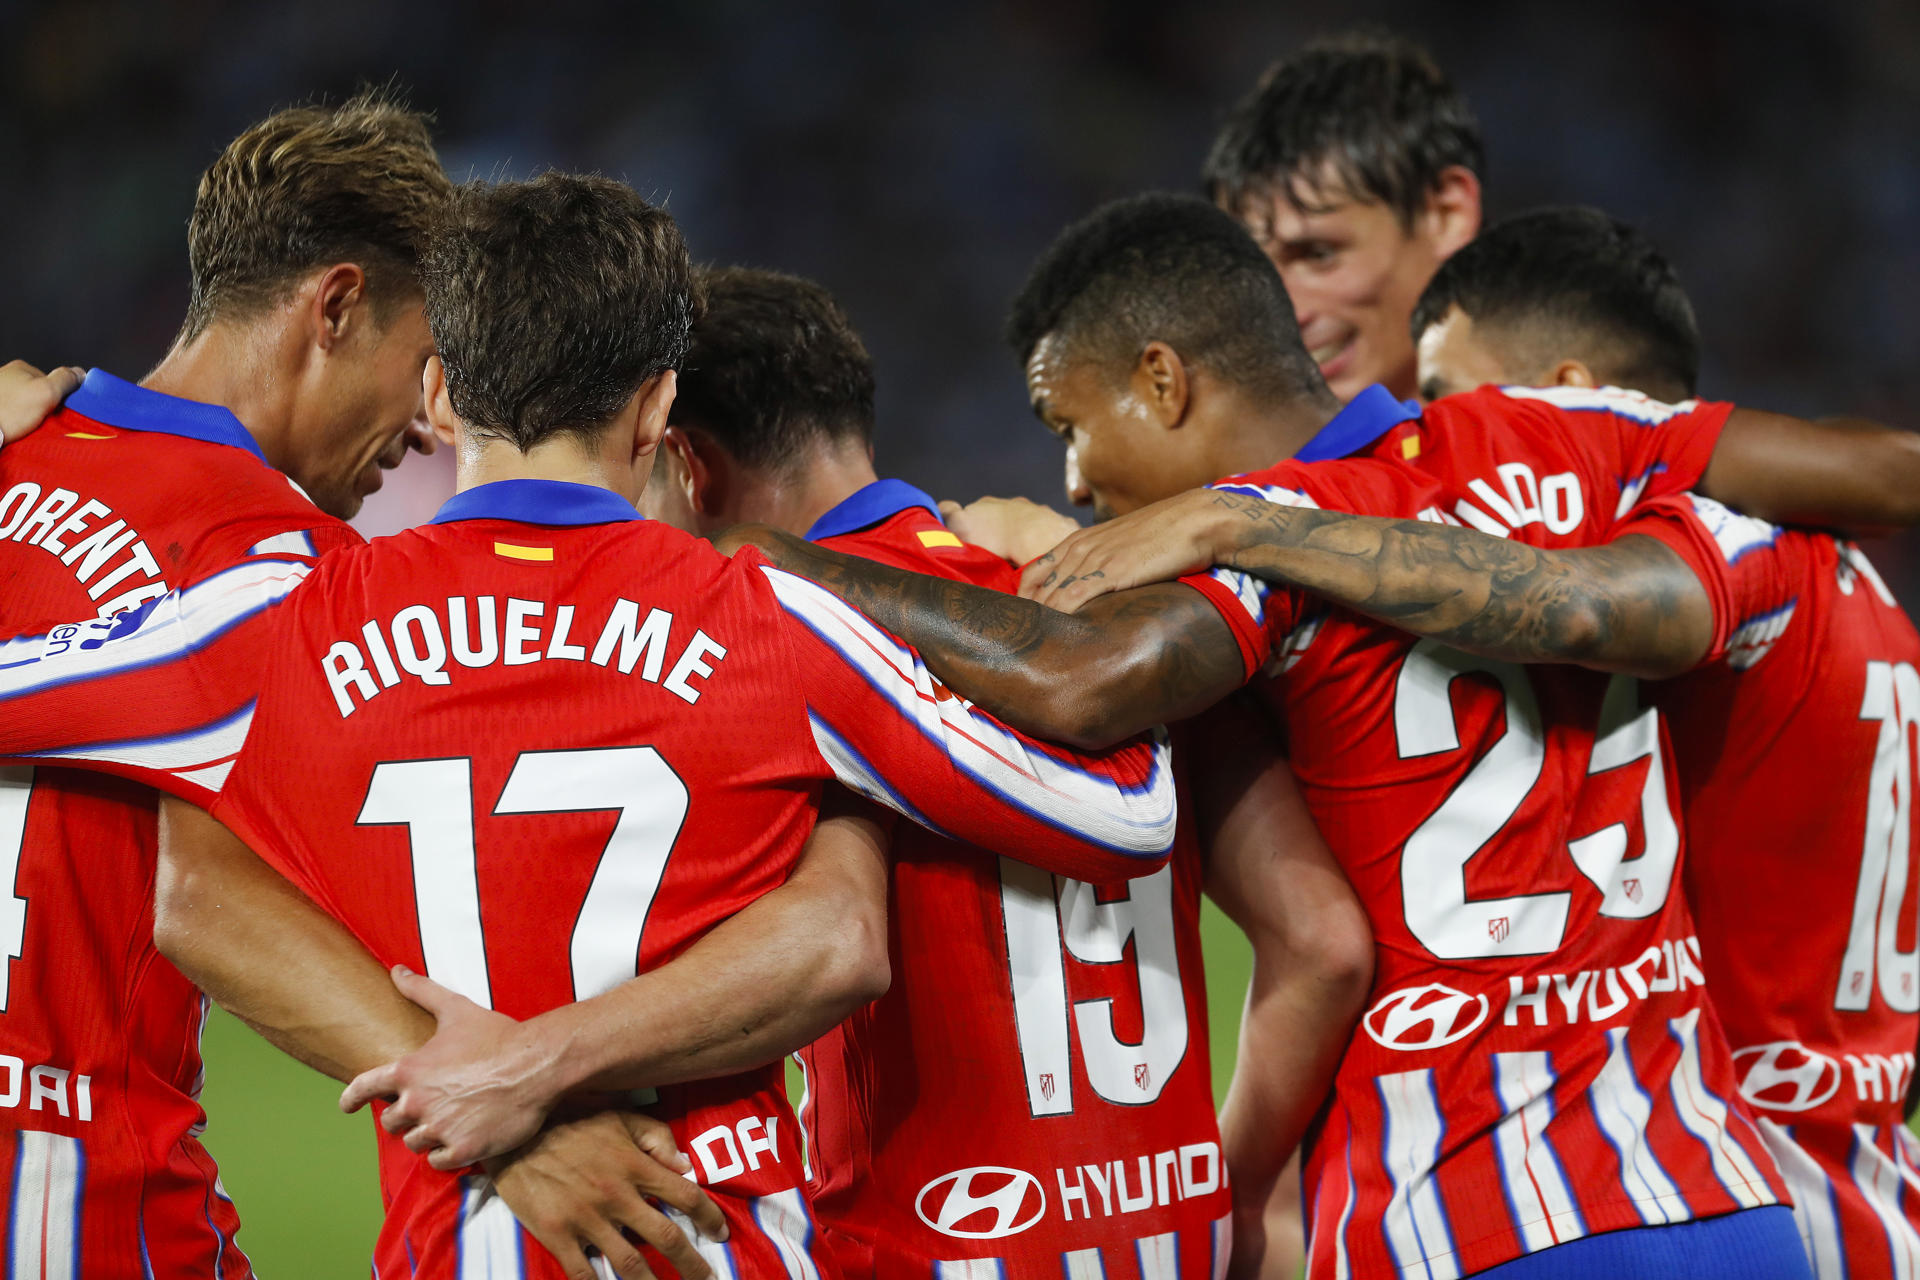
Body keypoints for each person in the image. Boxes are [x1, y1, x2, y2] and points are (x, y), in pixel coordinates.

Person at [696, 191, 1920, 1277]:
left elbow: (1088, 683)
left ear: (1164, 381)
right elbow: (1860, 481)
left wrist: (779, 564)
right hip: (1721, 1195)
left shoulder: (1257, 541)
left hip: (1466, 1211)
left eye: (1070, 422)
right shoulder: (1568, 436)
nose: (1073, 478)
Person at [0, 174, 1181, 1277]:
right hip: (710, 1227)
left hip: (459, 1235)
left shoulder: (285, 622)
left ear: (442, 393)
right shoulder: (776, 625)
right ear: (661, 402)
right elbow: (1126, 813)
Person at [0, 92, 718, 1280]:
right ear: (335, 306)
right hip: (72, 1203)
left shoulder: (18, 443)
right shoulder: (288, 578)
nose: (433, 430)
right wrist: (499, 1116)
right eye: (430, 361)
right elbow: (206, 900)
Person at [620, 266, 1367, 1279]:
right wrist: (1227, 1193)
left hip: (933, 1243)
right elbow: (1322, 940)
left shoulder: (762, 647)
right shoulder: (1114, 611)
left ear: (688, 462)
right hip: (1171, 1234)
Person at [1403, 207, 1920, 1280]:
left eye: (1449, 399)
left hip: (1744, 1185)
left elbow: (1576, 609)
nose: (1432, 446)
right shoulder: (1877, 605)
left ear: (1574, 391)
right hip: (1873, 1184)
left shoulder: (1724, 558)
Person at [1201, 31, 1482, 406]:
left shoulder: (1573, 437)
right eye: (1248, 272)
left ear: (1446, 216)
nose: (1280, 317)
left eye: (1318, 254)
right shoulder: (1225, 460)